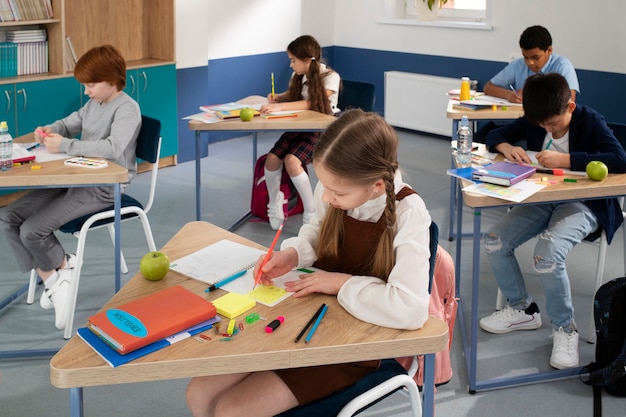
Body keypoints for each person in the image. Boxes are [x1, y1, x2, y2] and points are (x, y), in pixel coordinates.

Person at [186, 109, 432, 417]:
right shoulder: (337, 190)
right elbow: (317, 232)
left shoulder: (410, 213)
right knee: (199, 393)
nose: (326, 197)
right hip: (306, 316)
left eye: (337, 191)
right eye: (324, 185)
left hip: (353, 342)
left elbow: (410, 308)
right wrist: (293, 254)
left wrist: (339, 282)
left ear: (377, 187)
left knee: (231, 410)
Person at [479, 73, 626, 370]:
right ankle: (523, 309)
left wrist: (569, 160)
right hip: (540, 197)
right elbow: (490, 133)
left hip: (584, 202)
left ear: (570, 107)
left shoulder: (590, 120)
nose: (547, 129)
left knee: (546, 253)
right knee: (494, 239)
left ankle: (565, 328)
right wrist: (506, 147)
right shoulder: (537, 118)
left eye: (553, 124)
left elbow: (620, 159)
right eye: (541, 125)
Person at [0, 45, 141, 330]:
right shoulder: (93, 104)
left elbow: (113, 149)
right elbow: (68, 123)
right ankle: (57, 275)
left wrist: (64, 144)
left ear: (112, 79)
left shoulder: (127, 109)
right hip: (74, 176)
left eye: (91, 84)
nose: (86, 91)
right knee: (7, 217)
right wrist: (52, 130)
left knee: (32, 230)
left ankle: (57, 275)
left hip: (104, 186)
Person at [259, 34, 340, 230]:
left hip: (321, 129)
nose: (291, 65)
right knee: (271, 159)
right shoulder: (299, 76)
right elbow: (296, 95)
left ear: (306, 60)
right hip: (300, 127)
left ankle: (311, 211)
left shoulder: (330, 77)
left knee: (292, 161)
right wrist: (279, 98)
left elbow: (313, 102)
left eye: (293, 60)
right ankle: (274, 202)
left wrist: (281, 108)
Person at [484, 25, 579, 103]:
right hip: (521, 120)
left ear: (549, 50)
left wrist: (531, 95)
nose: (530, 62)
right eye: (526, 57)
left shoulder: (563, 66)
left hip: (549, 122)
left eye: (536, 58)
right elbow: (488, 87)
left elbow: (569, 100)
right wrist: (508, 94)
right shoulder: (518, 65)